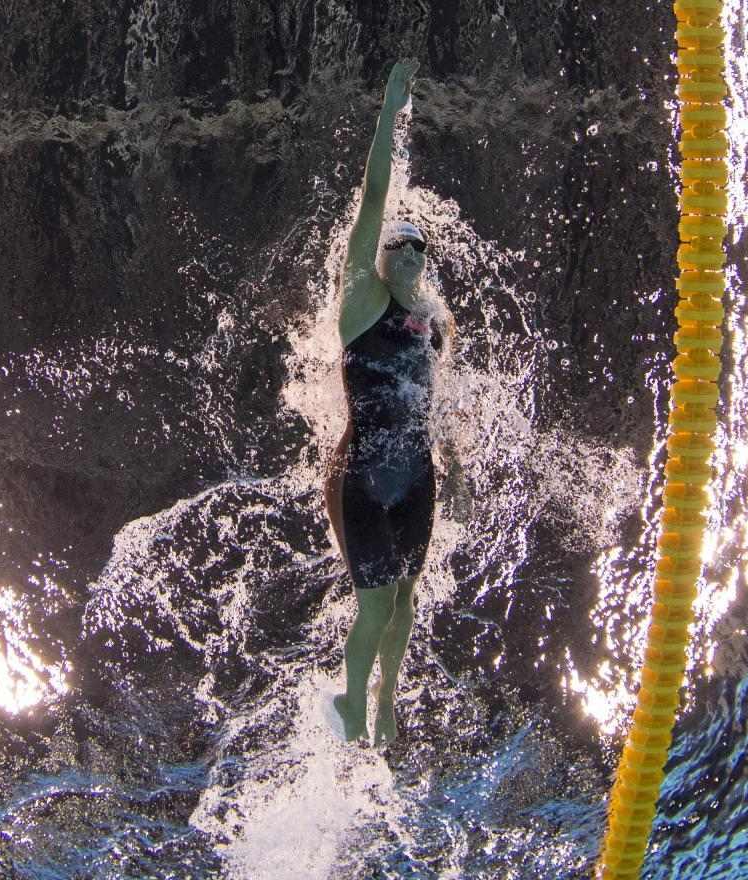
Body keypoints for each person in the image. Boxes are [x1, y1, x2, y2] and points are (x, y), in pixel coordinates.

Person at [324, 59, 446, 745]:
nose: (405, 258)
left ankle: (389, 700)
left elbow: (435, 403)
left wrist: (449, 466)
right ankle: (352, 707)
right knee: (373, 609)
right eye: (396, 250)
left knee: (405, 601)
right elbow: (373, 199)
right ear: (379, 259)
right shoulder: (361, 303)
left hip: (417, 480)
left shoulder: (430, 319)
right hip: (364, 481)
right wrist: (388, 114)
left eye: (416, 251)